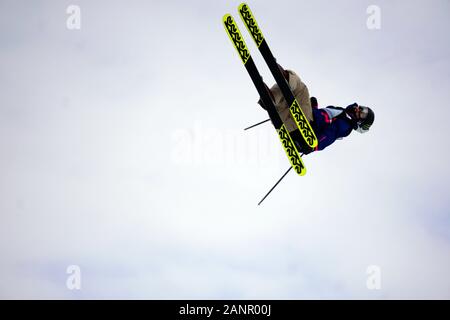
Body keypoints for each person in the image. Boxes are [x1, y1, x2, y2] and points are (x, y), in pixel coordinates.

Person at [258, 65, 375, 154]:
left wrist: (313, 145)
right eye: (363, 108)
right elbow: (322, 121)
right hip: (288, 124)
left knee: (300, 87)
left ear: (361, 122)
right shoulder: (340, 112)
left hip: (303, 127)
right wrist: (314, 107)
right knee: (286, 95)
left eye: (363, 113)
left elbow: (330, 134)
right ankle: (269, 99)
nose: (359, 110)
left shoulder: (345, 124)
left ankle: (279, 73)